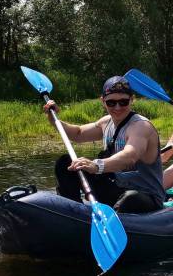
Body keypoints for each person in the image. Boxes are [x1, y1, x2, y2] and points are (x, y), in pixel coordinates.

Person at [44, 75, 165, 212]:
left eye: (123, 102)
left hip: (144, 195)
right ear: (103, 101)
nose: (117, 107)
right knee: (66, 163)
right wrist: (54, 120)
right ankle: (72, 211)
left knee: (130, 198)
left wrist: (97, 165)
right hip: (115, 187)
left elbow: (130, 155)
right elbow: (78, 133)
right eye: (111, 103)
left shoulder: (141, 126)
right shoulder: (106, 122)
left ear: (132, 100)